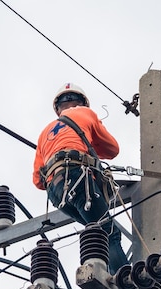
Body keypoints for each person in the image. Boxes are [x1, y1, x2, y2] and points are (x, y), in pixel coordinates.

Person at [33, 83, 129, 275]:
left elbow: (37, 180)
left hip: (56, 193)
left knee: (95, 230)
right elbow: (112, 149)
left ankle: (107, 276)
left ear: (58, 109)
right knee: (108, 231)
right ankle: (127, 283)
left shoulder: (45, 132)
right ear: (83, 104)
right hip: (78, 178)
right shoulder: (86, 114)